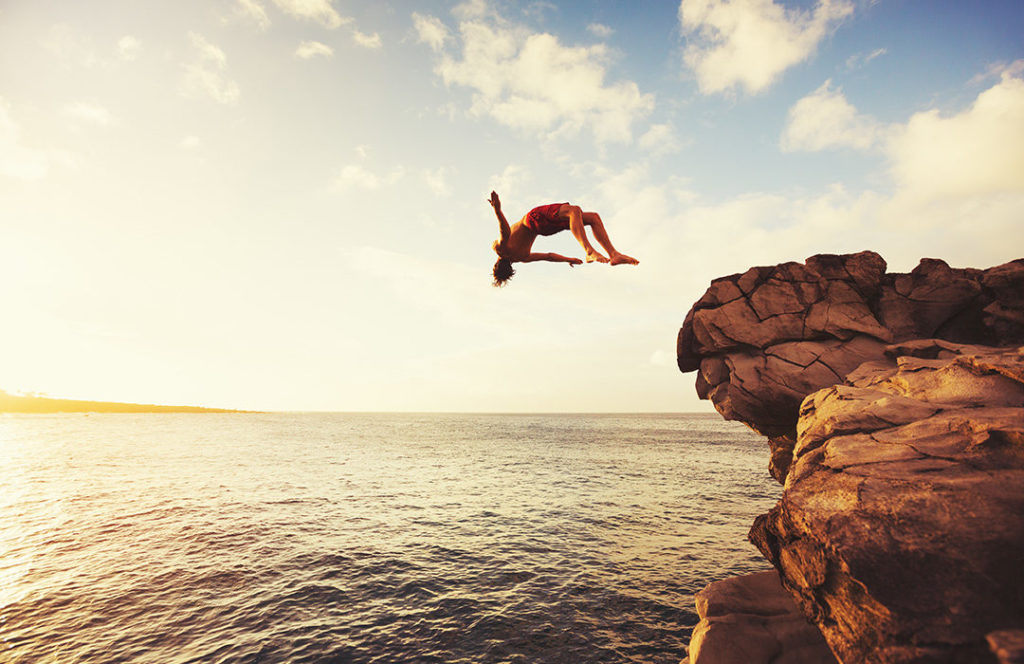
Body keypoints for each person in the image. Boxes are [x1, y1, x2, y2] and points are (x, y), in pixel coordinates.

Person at [488, 191, 638, 286]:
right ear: (497, 264)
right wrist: (498, 210)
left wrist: (568, 259)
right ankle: (589, 251)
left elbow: (549, 257)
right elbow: (505, 232)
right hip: (534, 219)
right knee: (574, 211)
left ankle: (614, 255)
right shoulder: (500, 249)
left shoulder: (523, 258)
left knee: (591, 218)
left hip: (544, 229)